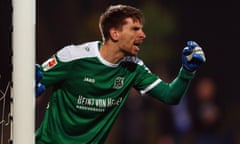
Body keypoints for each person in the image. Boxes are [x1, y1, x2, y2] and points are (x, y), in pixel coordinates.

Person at [35, 4, 206, 144]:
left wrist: (187, 71)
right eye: (135, 29)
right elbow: (35, 81)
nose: (143, 35)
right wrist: (32, 89)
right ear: (114, 33)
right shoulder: (73, 57)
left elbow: (170, 96)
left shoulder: (134, 68)